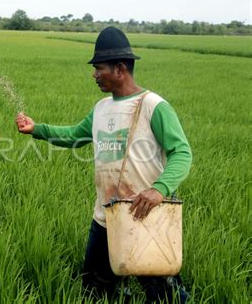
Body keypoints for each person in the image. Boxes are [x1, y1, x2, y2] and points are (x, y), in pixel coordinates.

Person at [15, 26, 192, 302]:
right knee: (94, 291)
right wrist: (37, 128)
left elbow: (182, 152)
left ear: (120, 68)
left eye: (100, 68)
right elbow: (74, 136)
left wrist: (159, 189)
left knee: (164, 296)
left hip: (146, 218)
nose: (95, 75)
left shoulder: (153, 106)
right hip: (106, 218)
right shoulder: (101, 109)